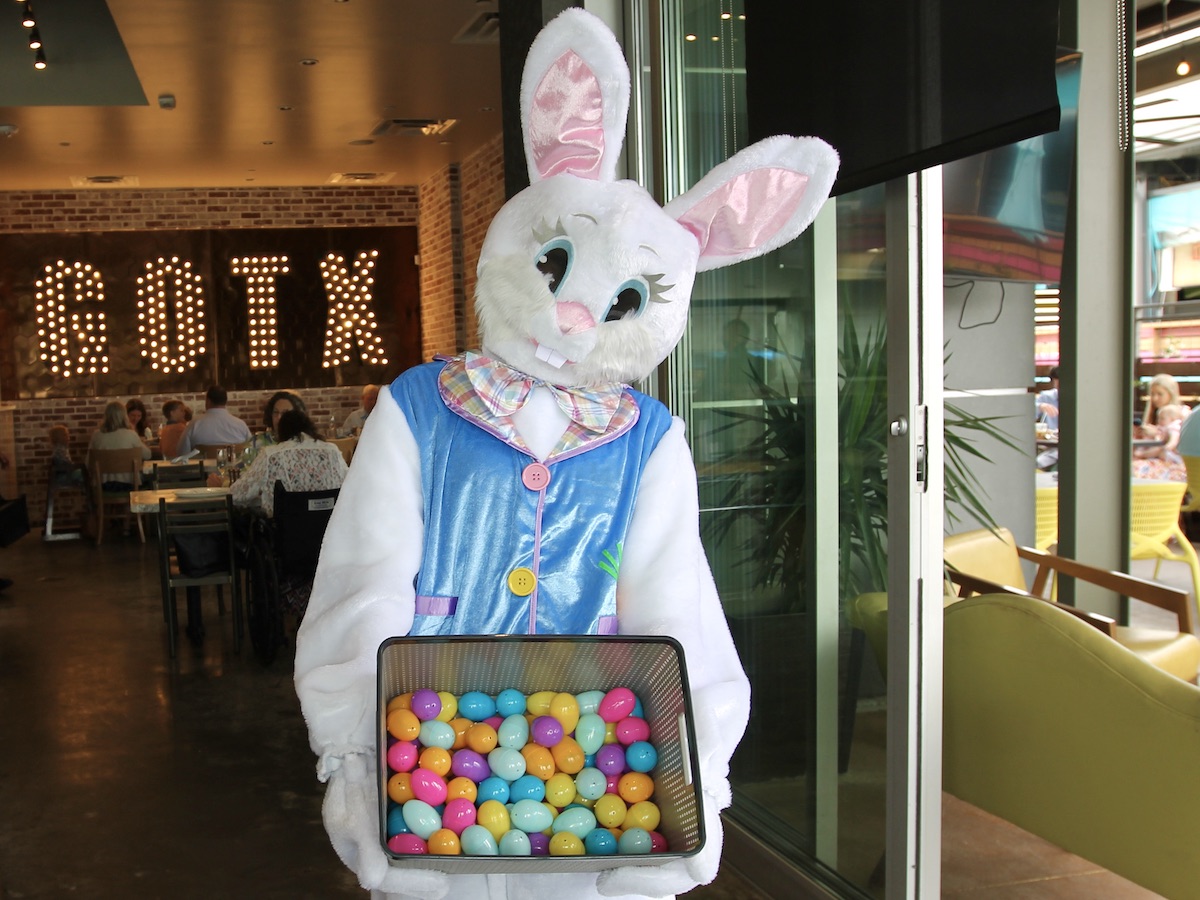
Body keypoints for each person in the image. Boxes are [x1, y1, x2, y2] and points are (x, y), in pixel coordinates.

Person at [214, 409, 347, 516]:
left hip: (284, 536)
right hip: (329, 534)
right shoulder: (333, 452)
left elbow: (236, 495)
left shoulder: (271, 455)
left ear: (282, 431)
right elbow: (349, 486)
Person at [88, 401, 152, 488]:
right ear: (124, 416)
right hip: (129, 485)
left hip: (102, 486)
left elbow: (88, 462)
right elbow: (148, 455)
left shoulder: (96, 435)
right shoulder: (131, 434)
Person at [176, 385, 252, 457]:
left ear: (208, 401)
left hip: (203, 466)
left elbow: (182, 453)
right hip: (234, 466)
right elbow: (252, 451)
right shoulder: (240, 425)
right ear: (225, 402)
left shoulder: (194, 424)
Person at [1133, 402, 1188, 482]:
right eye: (1158, 418)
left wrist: (1168, 446)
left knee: (1159, 450)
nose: (1159, 421)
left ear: (1172, 419)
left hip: (1172, 455)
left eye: (1162, 418)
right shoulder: (1164, 428)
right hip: (1169, 454)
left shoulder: (1173, 427)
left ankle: (1141, 454)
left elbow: (1174, 439)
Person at [48, 425, 87, 490]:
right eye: (65, 435)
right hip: (64, 475)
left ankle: (86, 489)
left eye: (68, 435)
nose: (68, 437)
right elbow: (67, 464)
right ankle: (90, 492)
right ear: (58, 438)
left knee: (84, 473)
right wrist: (77, 465)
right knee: (86, 472)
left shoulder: (61, 448)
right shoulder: (60, 450)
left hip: (64, 473)